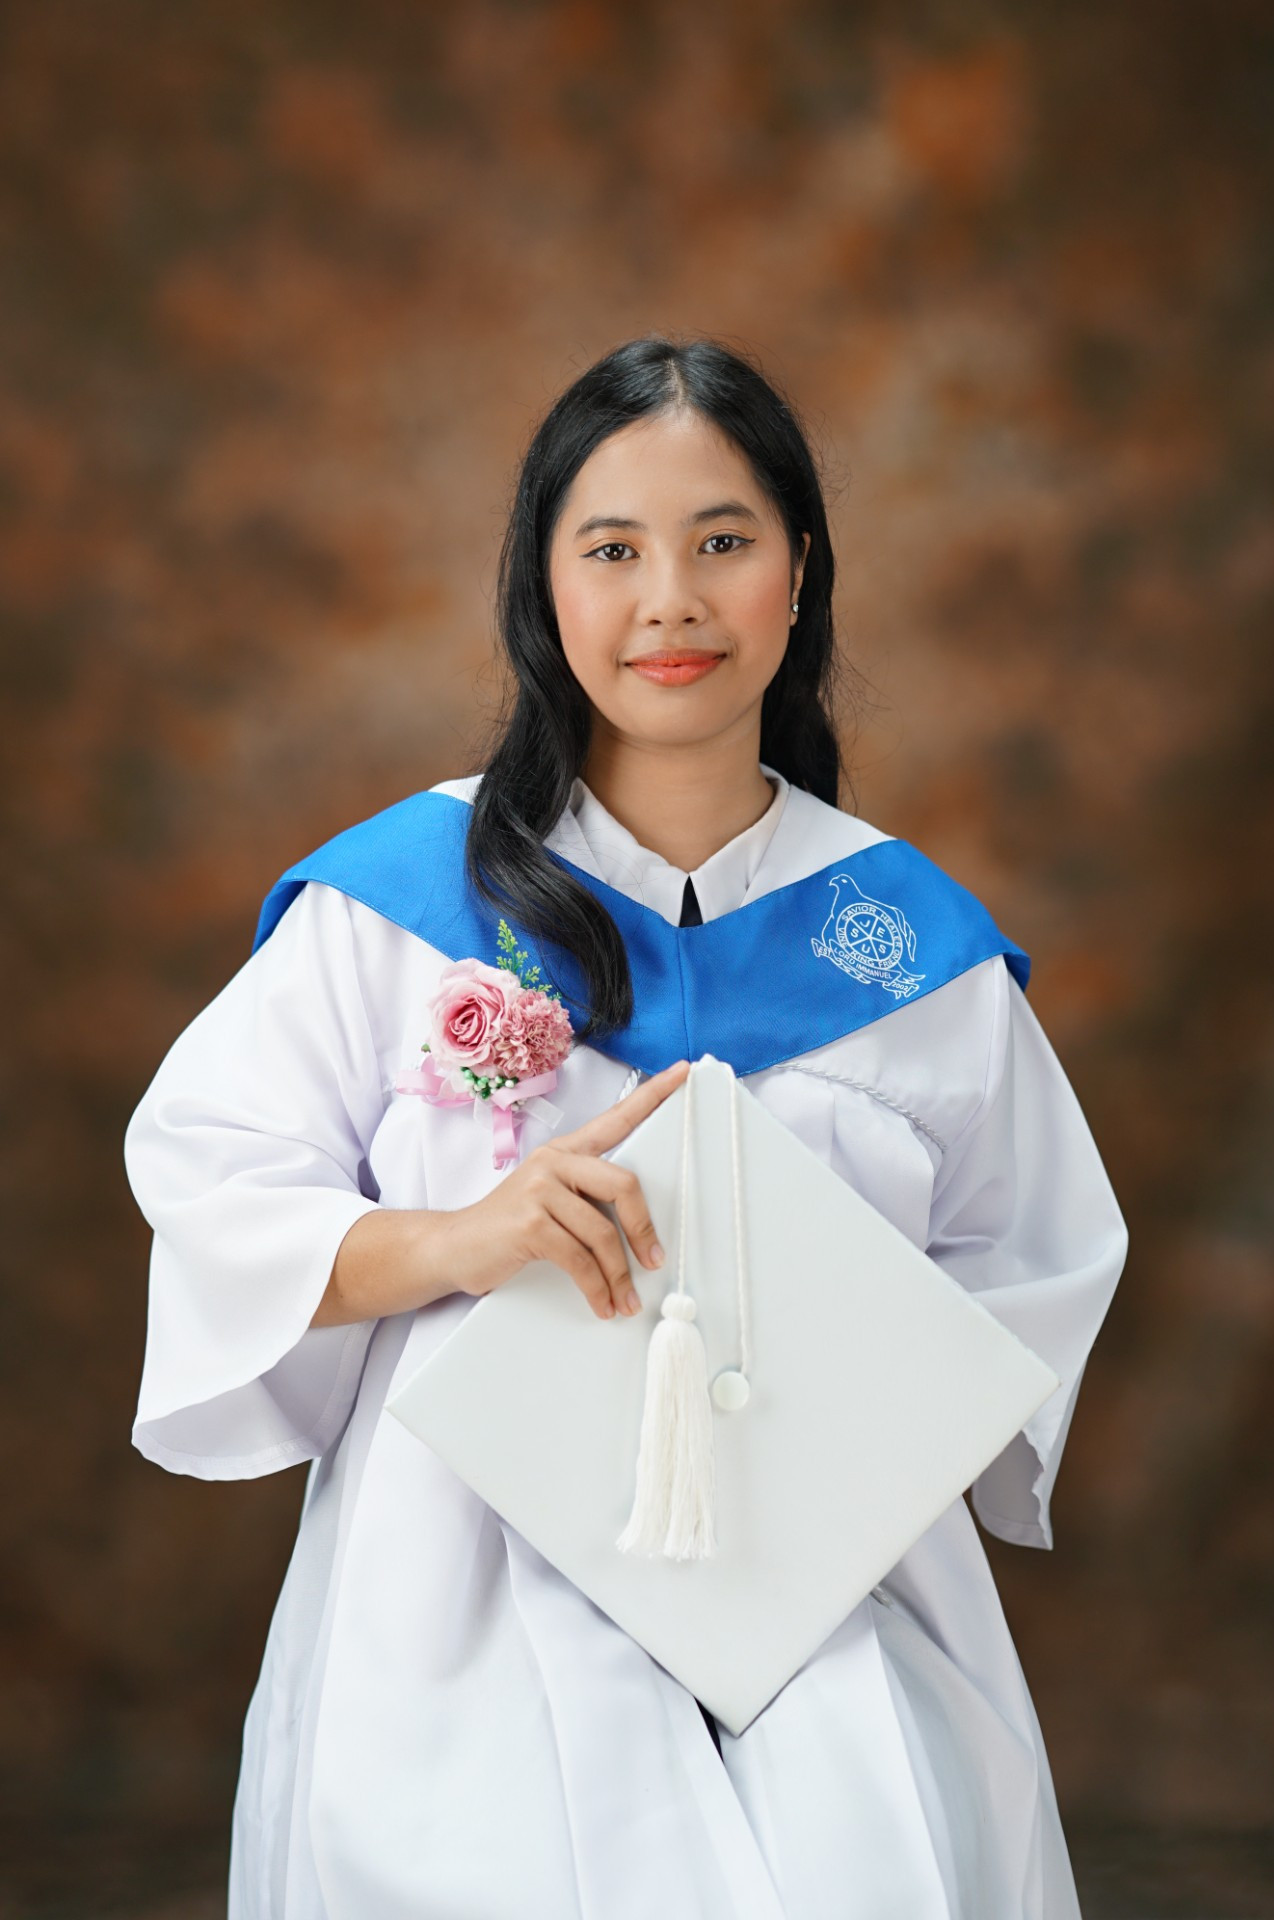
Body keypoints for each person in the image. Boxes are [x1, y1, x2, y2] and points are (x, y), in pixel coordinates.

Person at [123, 333, 1128, 1920]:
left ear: (800, 575)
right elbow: (215, 1188)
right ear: (545, 586)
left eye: (723, 542)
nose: (671, 600)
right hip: (460, 1593)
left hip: (820, 1607)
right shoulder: (396, 907)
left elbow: (1031, 1271)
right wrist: (462, 1240)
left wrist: (830, 1367)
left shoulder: (908, 955)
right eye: (612, 551)